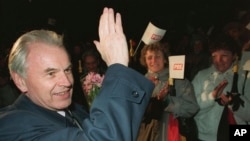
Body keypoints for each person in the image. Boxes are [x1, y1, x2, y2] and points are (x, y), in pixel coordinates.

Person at [0, 7, 154, 141]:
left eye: (67, 70)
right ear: (20, 81)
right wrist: (118, 65)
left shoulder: (74, 110)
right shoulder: (12, 126)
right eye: (51, 73)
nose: (67, 82)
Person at [136, 41, 199, 141]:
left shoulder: (179, 80)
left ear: (165, 59)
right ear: (145, 61)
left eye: (157, 56)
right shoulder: (139, 82)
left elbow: (192, 108)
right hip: (145, 134)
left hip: (170, 133)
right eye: (149, 57)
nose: (153, 60)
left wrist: (167, 102)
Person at [192, 34, 250, 141]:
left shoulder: (245, 76)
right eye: (214, 56)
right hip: (205, 137)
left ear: (234, 56)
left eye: (224, 55)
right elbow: (192, 109)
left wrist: (234, 103)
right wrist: (211, 97)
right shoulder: (201, 76)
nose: (218, 60)